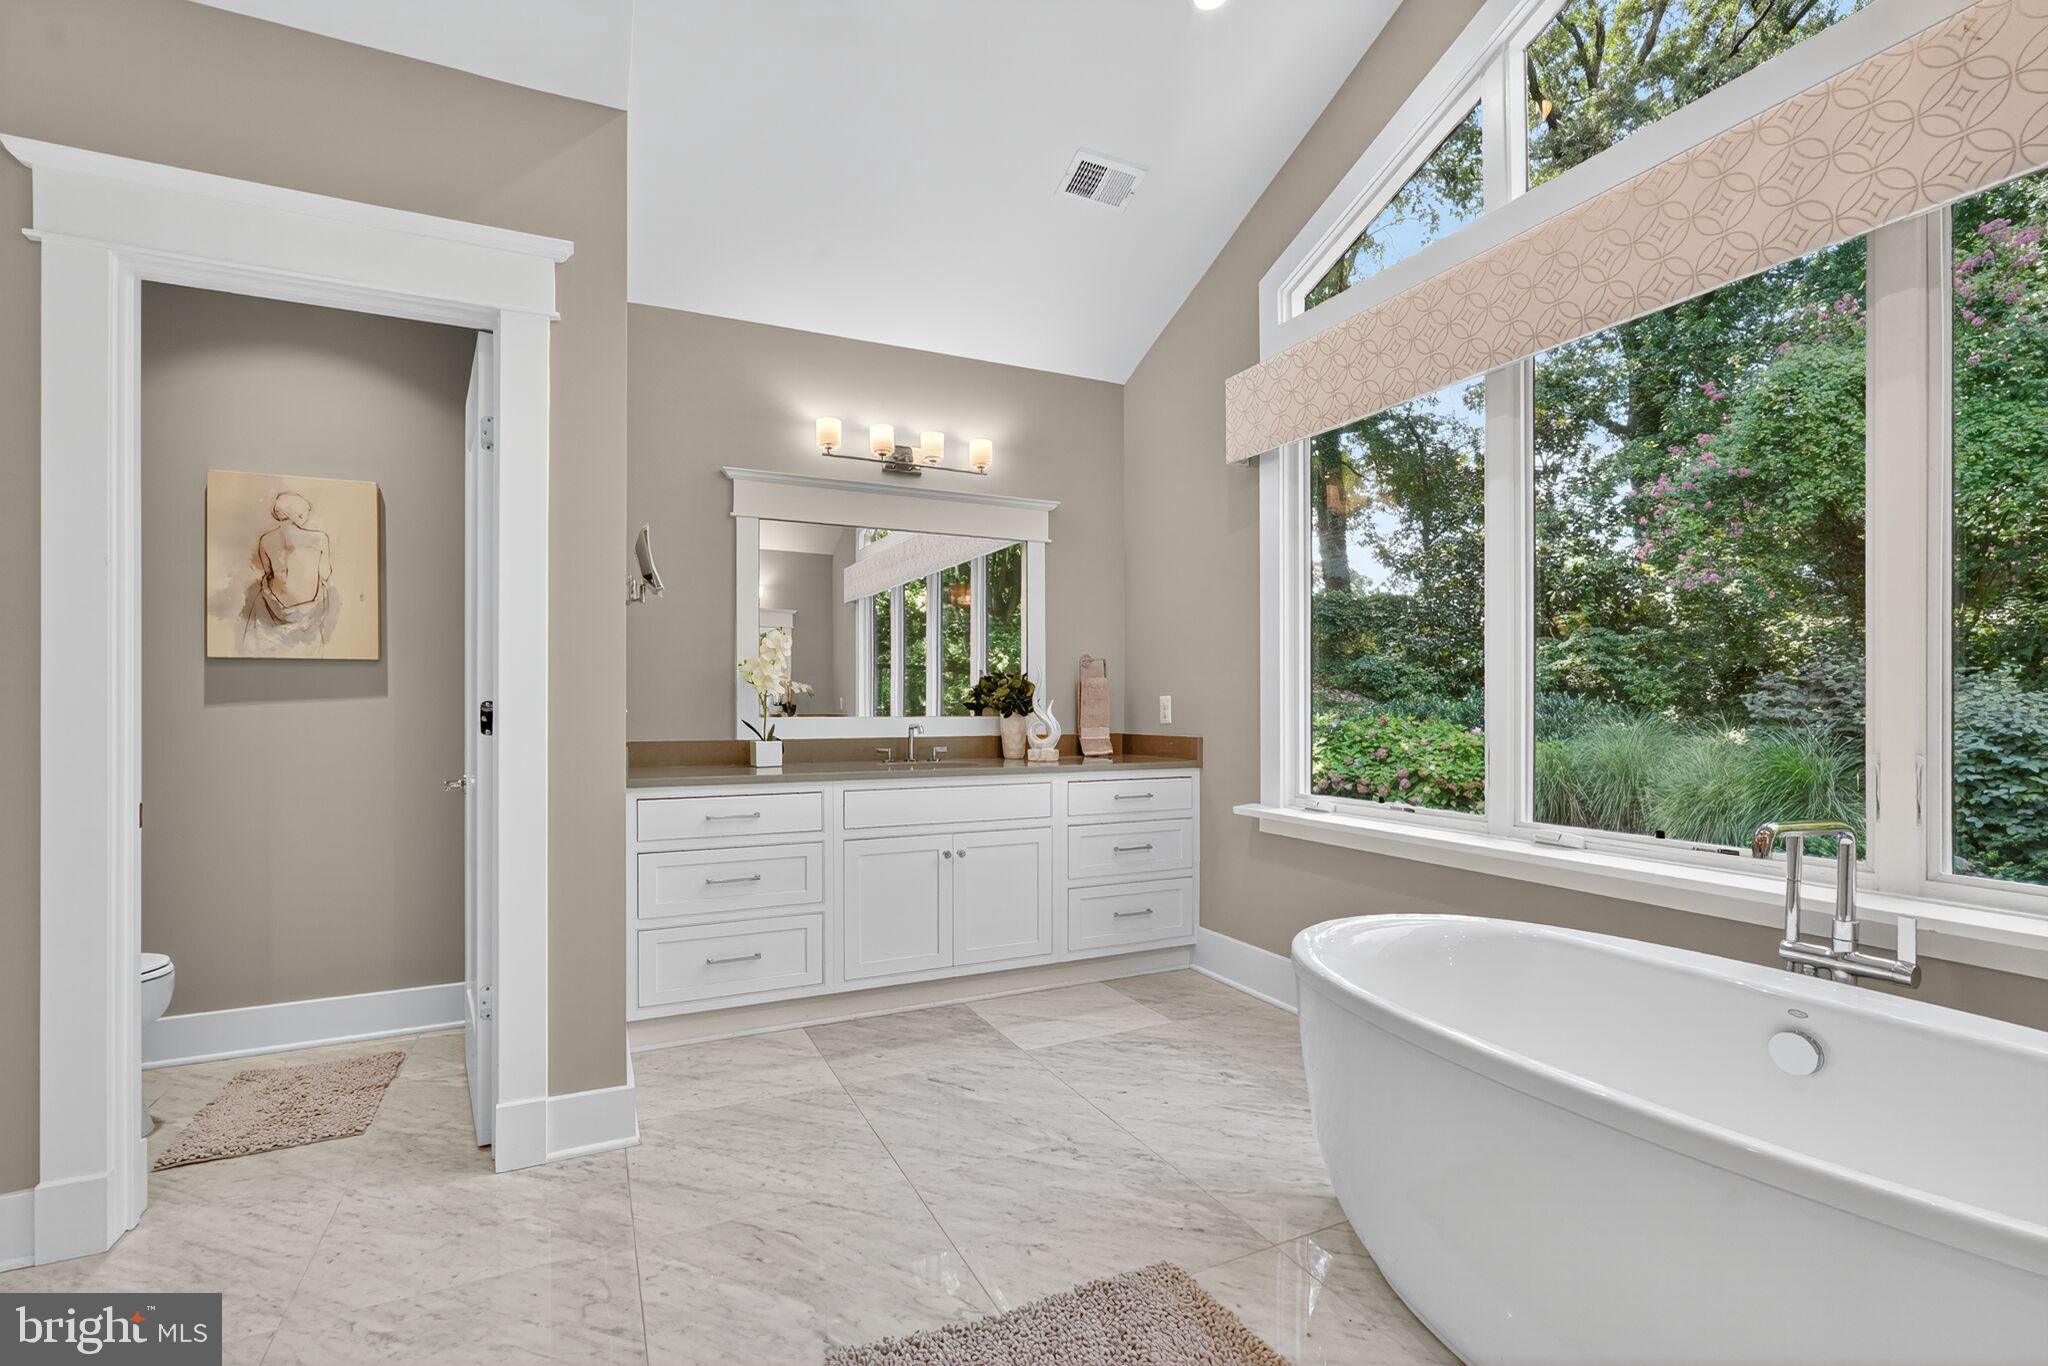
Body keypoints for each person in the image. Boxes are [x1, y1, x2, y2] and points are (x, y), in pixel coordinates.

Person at [241, 489, 338, 655]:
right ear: (296, 514)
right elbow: (326, 574)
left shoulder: (265, 540)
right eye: (305, 513)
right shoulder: (319, 539)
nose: (307, 517)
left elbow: (268, 571)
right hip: (308, 610)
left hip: (272, 606)